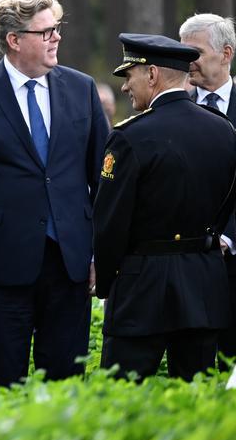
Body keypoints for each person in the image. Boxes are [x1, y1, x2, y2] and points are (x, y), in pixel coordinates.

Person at [0, 0, 109, 387]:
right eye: (46, 31)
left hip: (70, 263)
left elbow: (104, 180)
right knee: (3, 383)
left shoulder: (81, 88)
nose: (57, 38)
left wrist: (100, 253)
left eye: (57, 29)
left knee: (67, 383)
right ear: (15, 40)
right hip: (3, 267)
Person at [94, 33, 236, 381]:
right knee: (194, 399)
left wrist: (109, 284)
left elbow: (110, 223)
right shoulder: (224, 130)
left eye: (130, 76)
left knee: (119, 395)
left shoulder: (129, 136)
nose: (126, 88)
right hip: (203, 285)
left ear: (152, 75)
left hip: (141, 286)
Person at [180, 14, 236, 366]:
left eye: (196, 53)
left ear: (226, 53)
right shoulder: (174, 106)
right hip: (186, 262)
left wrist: (228, 237)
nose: (188, 62)